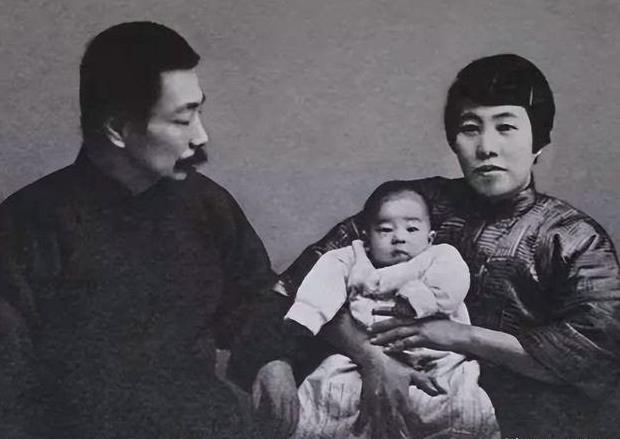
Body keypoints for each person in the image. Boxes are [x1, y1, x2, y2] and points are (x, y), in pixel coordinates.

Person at [265, 54, 620, 438]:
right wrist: (372, 357)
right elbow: (307, 284)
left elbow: (596, 354)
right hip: (369, 410)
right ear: (453, 141)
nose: (486, 147)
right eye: (470, 129)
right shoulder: (416, 206)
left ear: (539, 141)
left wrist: (460, 335)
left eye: (505, 127)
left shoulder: (574, 238)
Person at [0, 21, 279, 439]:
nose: (201, 137)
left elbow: (254, 297)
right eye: (182, 120)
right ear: (117, 128)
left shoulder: (208, 204)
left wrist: (272, 361)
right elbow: (10, 392)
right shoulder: (26, 224)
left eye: (199, 111)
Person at [285, 183, 498, 438]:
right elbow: (322, 283)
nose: (399, 237)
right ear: (368, 237)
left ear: (430, 237)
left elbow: (452, 283)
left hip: (435, 357)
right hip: (364, 355)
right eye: (385, 230)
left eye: (412, 229)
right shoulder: (352, 258)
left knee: (456, 400)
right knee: (330, 390)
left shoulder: (439, 255)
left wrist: (418, 299)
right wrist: (306, 316)